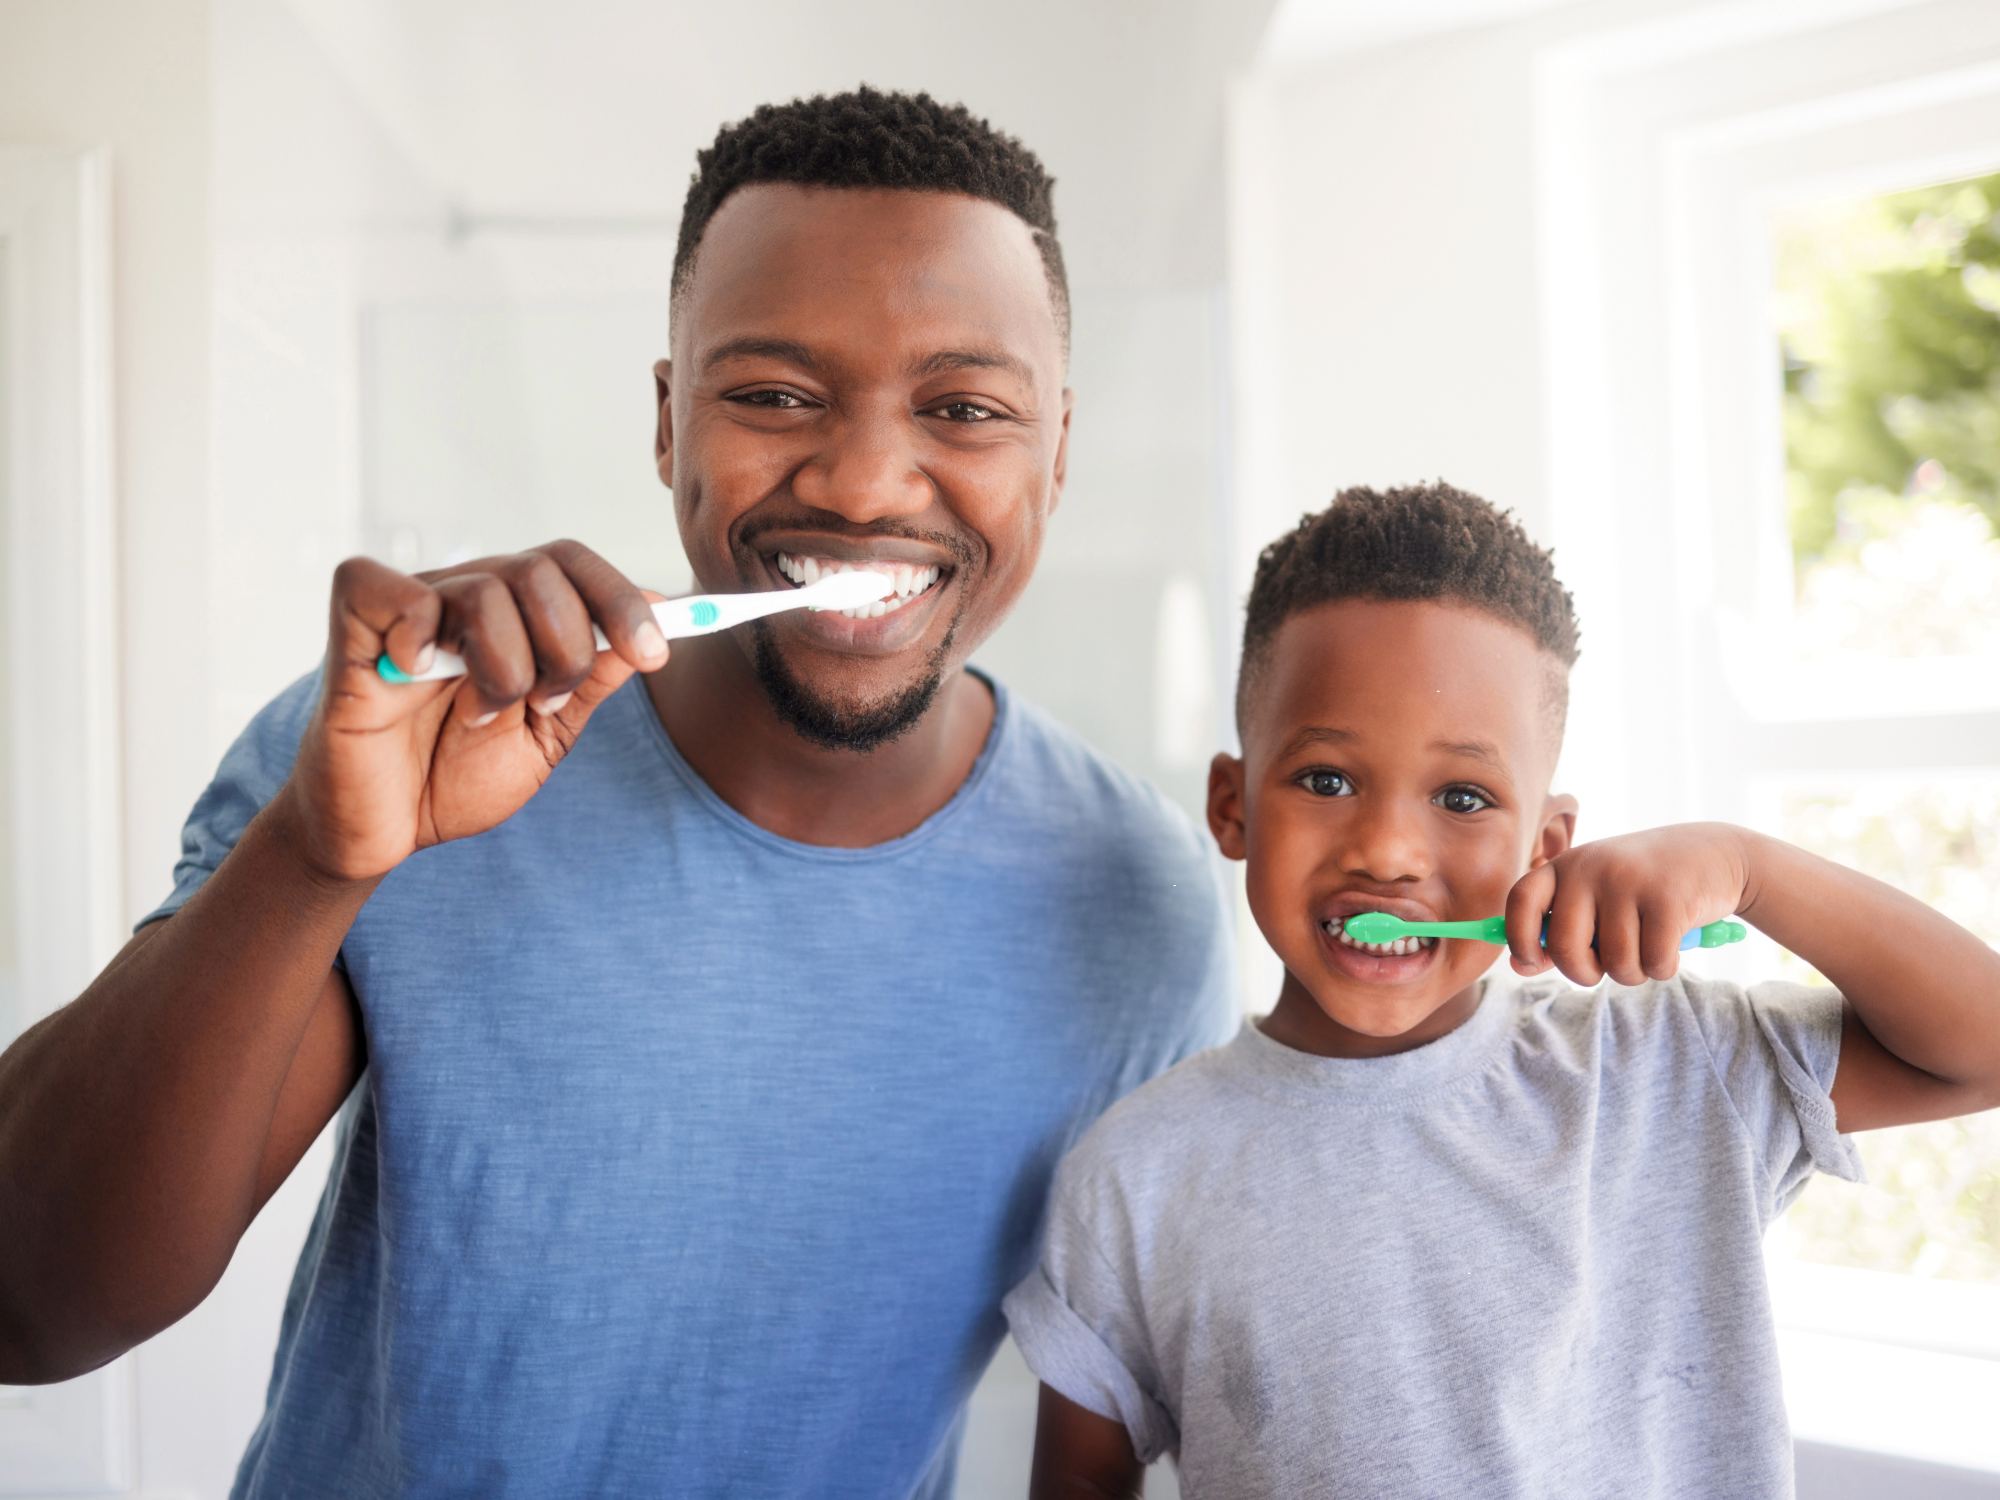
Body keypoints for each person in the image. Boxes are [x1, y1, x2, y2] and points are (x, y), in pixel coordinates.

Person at [0, 89, 1237, 1497]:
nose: (866, 478)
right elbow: (30, 1306)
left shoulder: (1139, 905)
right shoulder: (406, 747)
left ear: (1059, 451)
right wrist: (315, 856)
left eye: (965, 409)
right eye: (773, 394)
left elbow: (1196, 1381)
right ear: (667, 420)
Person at [1004, 482, 2000, 1499]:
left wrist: (1749, 867)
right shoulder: (1132, 1178)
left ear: (1545, 846)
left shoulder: (1666, 1070)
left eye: (1463, 797)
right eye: (1326, 780)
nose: (1388, 850)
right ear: (1231, 807)